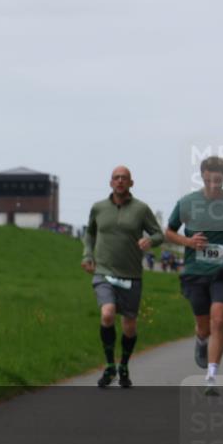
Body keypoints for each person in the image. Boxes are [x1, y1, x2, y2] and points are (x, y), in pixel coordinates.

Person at [165, 155, 223, 394]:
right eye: (210, 179)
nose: (214, 184)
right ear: (202, 176)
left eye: (218, 180)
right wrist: (188, 242)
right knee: (204, 328)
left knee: (219, 319)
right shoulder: (187, 202)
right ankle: (201, 340)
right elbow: (169, 232)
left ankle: (211, 377)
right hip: (195, 272)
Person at [82, 166, 163, 388]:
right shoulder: (98, 208)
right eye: (116, 178)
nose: (120, 181)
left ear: (131, 183)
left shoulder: (141, 209)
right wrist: (87, 254)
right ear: (110, 182)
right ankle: (110, 366)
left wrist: (150, 240)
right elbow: (89, 233)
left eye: (124, 178)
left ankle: (124, 365)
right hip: (104, 272)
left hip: (131, 275)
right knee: (107, 314)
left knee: (129, 325)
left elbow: (159, 234)